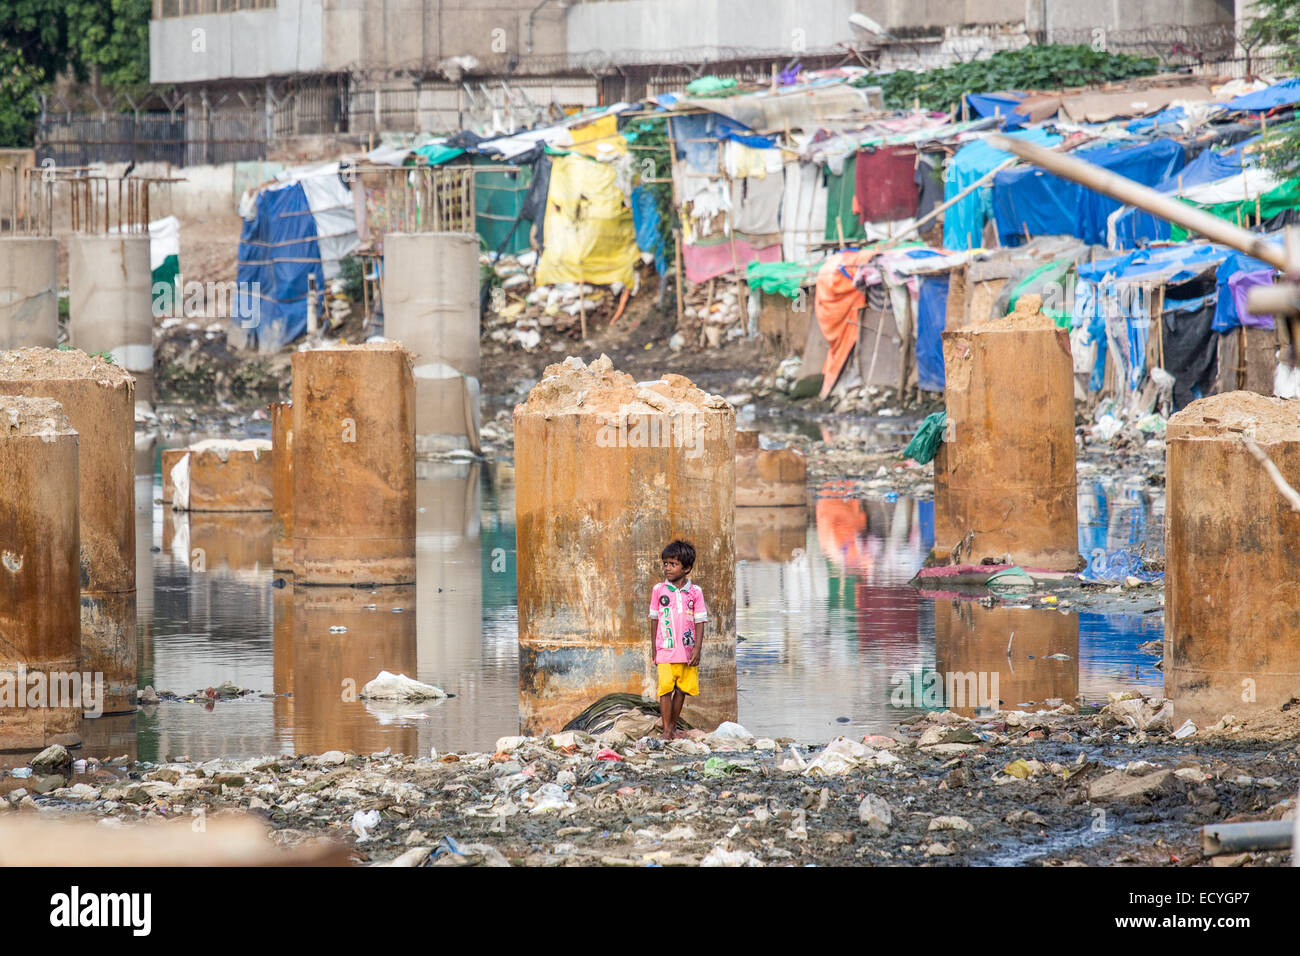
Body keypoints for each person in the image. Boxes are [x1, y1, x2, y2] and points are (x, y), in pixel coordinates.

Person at [647, 539, 706, 740]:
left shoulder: (695, 592)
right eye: (665, 563)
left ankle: (672, 728)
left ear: (686, 567)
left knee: (681, 690)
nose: (667, 568)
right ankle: (666, 730)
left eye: (673, 564)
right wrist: (654, 647)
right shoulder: (659, 590)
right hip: (665, 648)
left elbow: (700, 621)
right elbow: (654, 618)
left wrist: (697, 648)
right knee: (665, 688)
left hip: (687, 650)